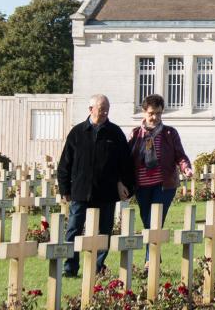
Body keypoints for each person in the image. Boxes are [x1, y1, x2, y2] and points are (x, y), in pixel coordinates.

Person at [56, 93, 134, 277]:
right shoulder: (77, 132)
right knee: (74, 229)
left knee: (103, 232)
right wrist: (65, 189)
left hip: (106, 192)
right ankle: (70, 267)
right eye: (101, 109)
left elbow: (126, 163)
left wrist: (125, 184)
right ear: (91, 109)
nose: (105, 112)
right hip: (81, 192)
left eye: (107, 109)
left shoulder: (115, 133)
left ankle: (97, 267)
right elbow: (65, 163)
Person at [128, 93, 192, 229]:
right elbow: (127, 158)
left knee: (155, 223)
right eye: (151, 113)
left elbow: (180, 155)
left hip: (164, 185)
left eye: (158, 113)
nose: (155, 117)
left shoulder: (170, 133)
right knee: (147, 223)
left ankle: (151, 251)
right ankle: (153, 251)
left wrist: (186, 167)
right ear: (144, 112)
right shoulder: (135, 134)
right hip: (142, 186)